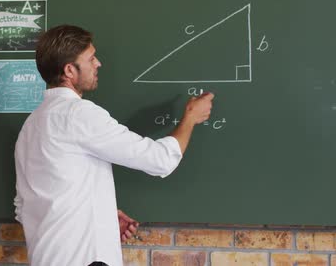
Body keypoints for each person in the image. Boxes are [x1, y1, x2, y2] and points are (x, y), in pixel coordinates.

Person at [14, 25, 214, 266]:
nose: (98, 64)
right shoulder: (79, 115)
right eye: (91, 59)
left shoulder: (31, 125)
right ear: (70, 71)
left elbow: (24, 206)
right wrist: (190, 117)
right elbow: (160, 160)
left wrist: (101, 219)